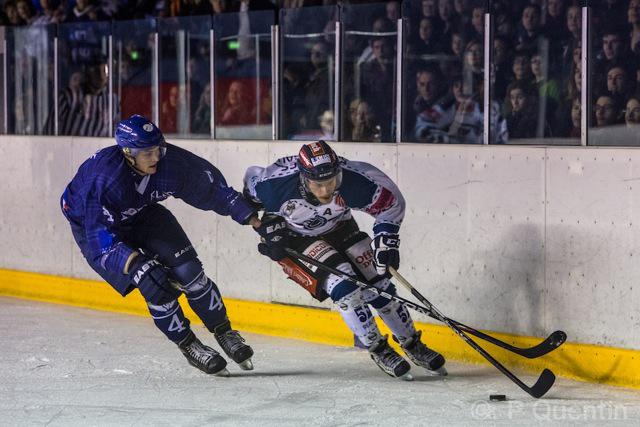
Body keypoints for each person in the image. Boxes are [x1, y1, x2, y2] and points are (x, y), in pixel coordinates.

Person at [60, 114, 258, 376]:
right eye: (147, 153)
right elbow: (100, 240)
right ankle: (188, 345)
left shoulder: (168, 162)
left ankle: (225, 332)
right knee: (154, 286)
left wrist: (251, 217)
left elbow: (209, 189)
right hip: (94, 229)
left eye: (158, 149)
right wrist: (137, 266)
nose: (156, 158)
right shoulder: (104, 179)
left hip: (142, 214)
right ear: (128, 154)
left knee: (190, 273)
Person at [243, 140, 447, 380]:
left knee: (380, 284)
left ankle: (412, 343)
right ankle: (378, 348)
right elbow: (249, 190)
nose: (326, 191)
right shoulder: (273, 183)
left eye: (331, 182)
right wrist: (266, 225)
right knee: (346, 289)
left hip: (341, 227)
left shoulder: (355, 178)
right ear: (302, 177)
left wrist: (386, 236)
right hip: (299, 238)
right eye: (318, 184)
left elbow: (391, 203)